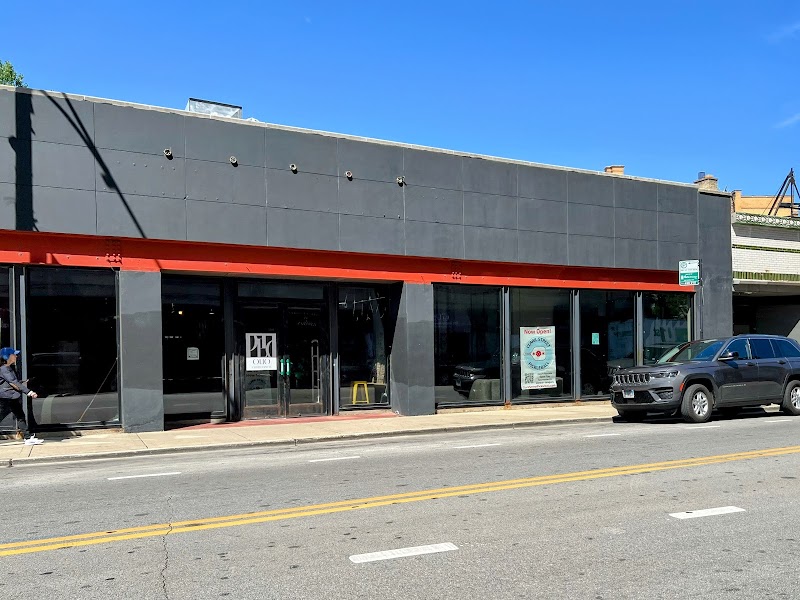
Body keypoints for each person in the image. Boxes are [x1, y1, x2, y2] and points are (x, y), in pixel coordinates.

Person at [0, 347, 43, 445]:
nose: (16, 356)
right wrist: (29, 392)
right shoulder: (4, 369)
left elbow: (11, 382)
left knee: (20, 416)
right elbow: (12, 382)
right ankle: (28, 437)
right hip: (5, 398)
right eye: (14, 354)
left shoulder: (9, 368)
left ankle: (28, 437)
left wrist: (22, 382)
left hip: (11, 397)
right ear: (7, 356)